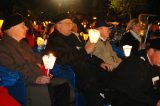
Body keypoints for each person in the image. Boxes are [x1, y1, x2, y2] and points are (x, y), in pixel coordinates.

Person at [0, 13, 70, 106]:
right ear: (12, 28)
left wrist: (46, 66)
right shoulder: (3, 47)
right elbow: (12, 69)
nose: (27, 28)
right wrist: (35, 79)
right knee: (52, 91)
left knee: (63, 84)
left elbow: (37, 59)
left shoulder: (24, 44)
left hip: (39, 77)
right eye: (23, 26)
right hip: (24, 84)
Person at [44, 13, 110, 106]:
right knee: (90, 82)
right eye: (67, 23)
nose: (71, 25)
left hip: (83, 67)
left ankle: (106, 97)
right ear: (58, 25)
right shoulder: (54, 39)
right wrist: (85, 51)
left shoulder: (72, 36)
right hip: (71, 71)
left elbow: (85, 52)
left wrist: (100, 62)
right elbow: (63, 59)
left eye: (71, 23)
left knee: (105, 71)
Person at [108, 38, 160, 106]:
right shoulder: (135, 63)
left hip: (139, 95)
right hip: (122, 98)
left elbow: (156, 83)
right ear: (151, 51)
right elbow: (132, 92)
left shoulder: (154, 64)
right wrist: (155, 102)